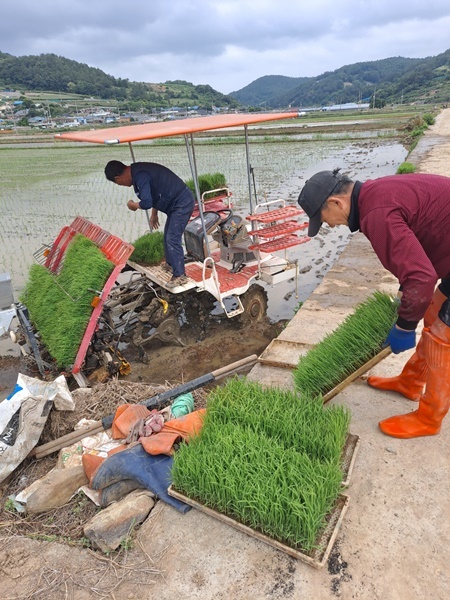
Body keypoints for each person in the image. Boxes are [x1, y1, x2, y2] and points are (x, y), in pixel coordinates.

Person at [298, 168, 450, 439]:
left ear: (336, 203)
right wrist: (409, 296)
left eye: (324, 220)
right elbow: (419, 250)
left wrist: (404, 327)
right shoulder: (374, 193)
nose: (330, 226)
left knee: (442, 336)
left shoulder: (376, 213)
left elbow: (421, 277)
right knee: (433, 312)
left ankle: (429, 418)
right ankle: (410, 382)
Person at [105, 160, 194, 289]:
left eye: (118, 183)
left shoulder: (140, 175)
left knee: (172, 238)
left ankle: (180, 276)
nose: (122, 185)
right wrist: (154, 214)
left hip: (182, 202)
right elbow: (155, 193)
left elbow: (146, 202)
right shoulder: (139, 172)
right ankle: (171, 264)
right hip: (176, 204)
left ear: (118, 178)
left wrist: (133, 205)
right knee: (167, 236)